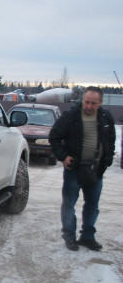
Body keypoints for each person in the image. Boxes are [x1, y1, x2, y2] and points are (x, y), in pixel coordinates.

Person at [49, 86, 116, 251]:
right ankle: (69, 237)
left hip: (96, 170)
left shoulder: (106, 117)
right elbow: (54, 136)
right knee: (69, 204)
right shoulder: (71, 116)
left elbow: (111, 140)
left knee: (92, 205)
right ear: (83, 100)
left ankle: (87, 237)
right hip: (74, 170)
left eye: (93, 103)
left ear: (100, 103)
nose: (89, 106)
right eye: (87, 102)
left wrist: (107, 160)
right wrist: (63, 157)